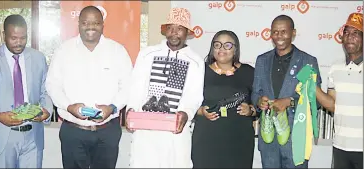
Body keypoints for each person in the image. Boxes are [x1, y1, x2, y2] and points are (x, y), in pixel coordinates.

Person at [45, 6, 132, 169]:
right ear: (78, 24)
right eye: (85, 22)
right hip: (73, 132)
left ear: (102, 25)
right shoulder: (64, 51)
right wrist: (68, 106)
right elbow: (52, 84)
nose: (91, 27)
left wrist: (112, 108)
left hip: (108, 132)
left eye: (96, 23)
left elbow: (128, 86)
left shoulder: (117, 51)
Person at [125, 7, 204, 168]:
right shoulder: (147, 54)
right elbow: (135, 87)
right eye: (170, 28)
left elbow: (195, 96)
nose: (174, 33)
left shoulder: (196, 61)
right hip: (146, 132)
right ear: (165, 30)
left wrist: (186, 113)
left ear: (187, 32)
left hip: (175, 134)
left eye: (179, 29)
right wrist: (131, 109)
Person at [0, 14, 53, 168]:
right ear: (4, 35)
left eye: (23, 38)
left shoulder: (38, 58)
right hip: (3, 134)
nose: (19, 43)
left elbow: (45, 91)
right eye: (14, 38)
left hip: (33, 135)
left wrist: (47, 110)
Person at [251, 14, 322, 168]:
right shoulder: (262, 60)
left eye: (284, 31)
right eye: (275, 32)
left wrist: (290, 101)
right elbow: (255, 93)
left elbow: (316, 100)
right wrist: (259, 101)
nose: (279, 36)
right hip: (268, 139)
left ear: (293, 33)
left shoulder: (308, 62)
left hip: (296, 139)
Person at [191, 30, 256, 168]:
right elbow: (187, 102)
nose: (222, 49)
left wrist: (251, 110)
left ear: (235, 49)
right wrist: (200, 111)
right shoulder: (199, 71)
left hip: (239, 140)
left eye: (227, 45)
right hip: (206, 139)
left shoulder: (249, 72)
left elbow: (260, 104)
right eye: (217, 45)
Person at [316, 12, 363, 169]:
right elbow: (332, 105)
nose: (350, 37)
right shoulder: (335, 68)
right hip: (340, 146)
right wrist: (311, 87)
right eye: (347, 33)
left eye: (356, 33)